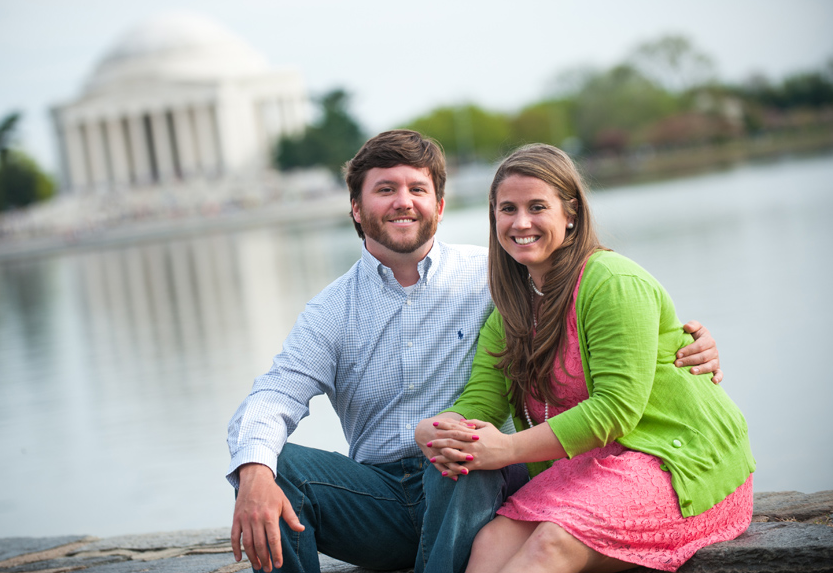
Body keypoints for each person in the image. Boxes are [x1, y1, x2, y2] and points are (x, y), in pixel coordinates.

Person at [227, 130, 721, 573]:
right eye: (385, 190)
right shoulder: (329, 312)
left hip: (475, 485)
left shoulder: (500, 275)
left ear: (439, 206)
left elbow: (615, 308)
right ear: (356, 208)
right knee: (276, 467)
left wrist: (687, 341)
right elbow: (273, 395)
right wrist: (254, 471)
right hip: (378, 497)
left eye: (417, 190)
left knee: (462, 453)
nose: (404, 202)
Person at [417, 143, 754, 573]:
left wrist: (507, 449)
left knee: (552, 543)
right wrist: (437, 429)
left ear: (570, 213)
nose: (521, 222)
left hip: (679, 462)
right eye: (507, 209)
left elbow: (616, 408)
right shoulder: (510, 312)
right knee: (490, 544)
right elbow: (482, 402)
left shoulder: (611, 282)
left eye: (537, 207)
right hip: (594, 466)